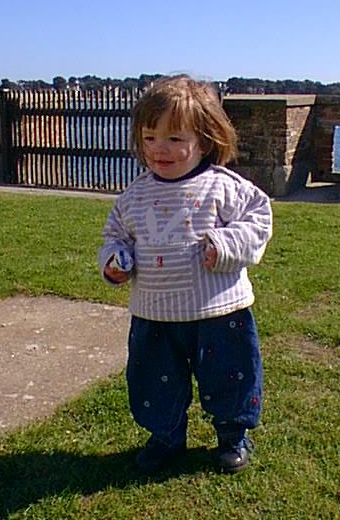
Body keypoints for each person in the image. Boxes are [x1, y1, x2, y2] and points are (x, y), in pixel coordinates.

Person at [98, 75, 272, 474]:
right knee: (154, 379)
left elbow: (259, 221)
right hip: (154, 312)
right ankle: (165, 437)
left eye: (175, 139)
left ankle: (233, 435)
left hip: (219, 311)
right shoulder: (134, 196)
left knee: (230, 375)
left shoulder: (224, 187)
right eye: (150, 137)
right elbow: (115, 237)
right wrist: (115, 260)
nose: (160, 148)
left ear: (205, 140)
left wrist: (225, 246)